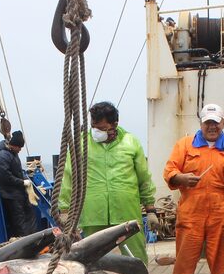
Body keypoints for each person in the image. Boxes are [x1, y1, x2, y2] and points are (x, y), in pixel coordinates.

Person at [163, 103, 224, 274]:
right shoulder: (184, 145)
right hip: (190, 217)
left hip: (222, 218)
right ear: (201, 123)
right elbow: (170, 170)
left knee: (223, 270)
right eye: (207, 122)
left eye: (216, 122)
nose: (212, 126)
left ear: (223, 123)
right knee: (183, 268)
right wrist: (181, 178)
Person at [59, 101, 156, 261]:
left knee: (136, 258)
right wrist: (64, 210)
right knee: (92, 260)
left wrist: (150, 210)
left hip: (127, 213)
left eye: (102, 128)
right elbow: (69, 177)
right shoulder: (81, 144)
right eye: (94, 127)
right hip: (93, 214)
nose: (96, 131)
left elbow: (143, 178)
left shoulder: (131, 142)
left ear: (114, 124)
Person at [0, 130, 38, 238]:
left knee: (30, 216)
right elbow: (5, 177)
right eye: (19, 147)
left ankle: (34, 240)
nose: (20, 150)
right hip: (11, 195)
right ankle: (24, 243)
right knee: (19, 221)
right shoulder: (1, 157)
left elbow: (16, 171)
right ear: (14, 145)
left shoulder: (13, 154)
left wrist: (25, 180)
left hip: (20, 193)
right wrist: (22, 182)